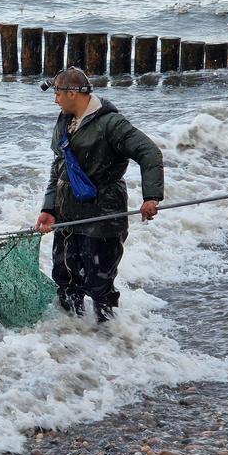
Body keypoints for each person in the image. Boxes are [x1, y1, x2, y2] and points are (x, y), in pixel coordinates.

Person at [35, 67, 164, 323]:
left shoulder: (111, 124)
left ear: (72, 93)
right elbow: (59, 167)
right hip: (68, 215)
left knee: (99, 283)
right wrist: (49, 208)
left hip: (104, 215)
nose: (55, 99)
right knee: (66, 279)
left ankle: (109, 340)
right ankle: (71, 342)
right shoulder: (64, 121)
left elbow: (149, 153)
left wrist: (152, 197)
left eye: (58, 94)